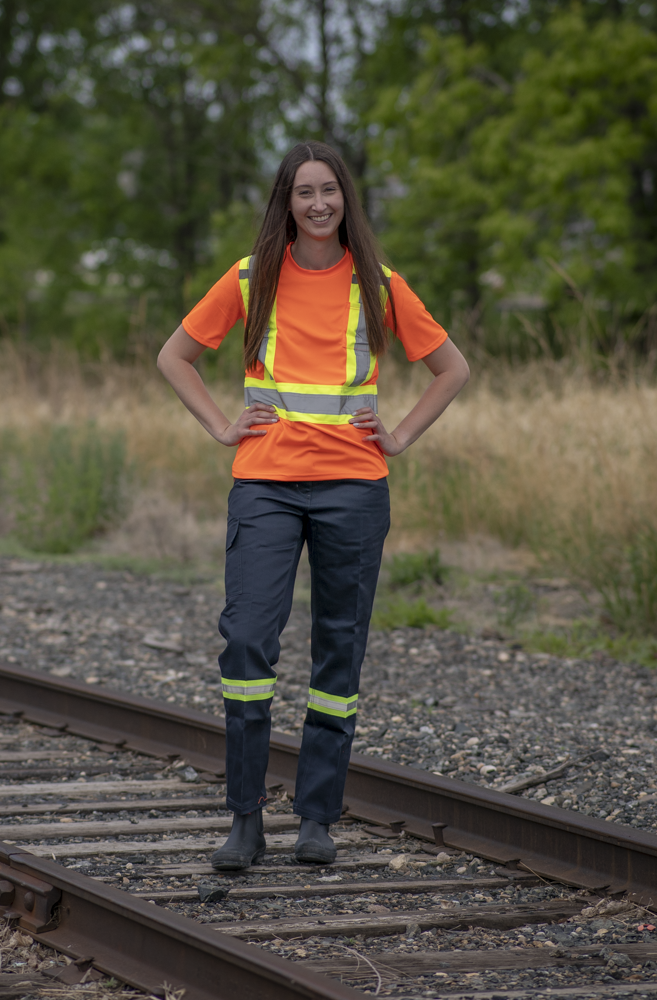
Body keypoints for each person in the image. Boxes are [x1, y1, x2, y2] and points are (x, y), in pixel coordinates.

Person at [157, 141, 469, 871]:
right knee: (246, 644)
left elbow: (452, 368)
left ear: (345, 199)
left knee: (339, 649)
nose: (319, 204)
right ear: (286, 203)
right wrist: (218, 425)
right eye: (304, 193)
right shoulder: (248, 276)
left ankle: (317, 819)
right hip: (264, 483)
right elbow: (174, 355)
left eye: (330, 191)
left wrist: (400, 437)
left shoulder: (378, 283)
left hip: (354, 490)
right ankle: (244, 820)